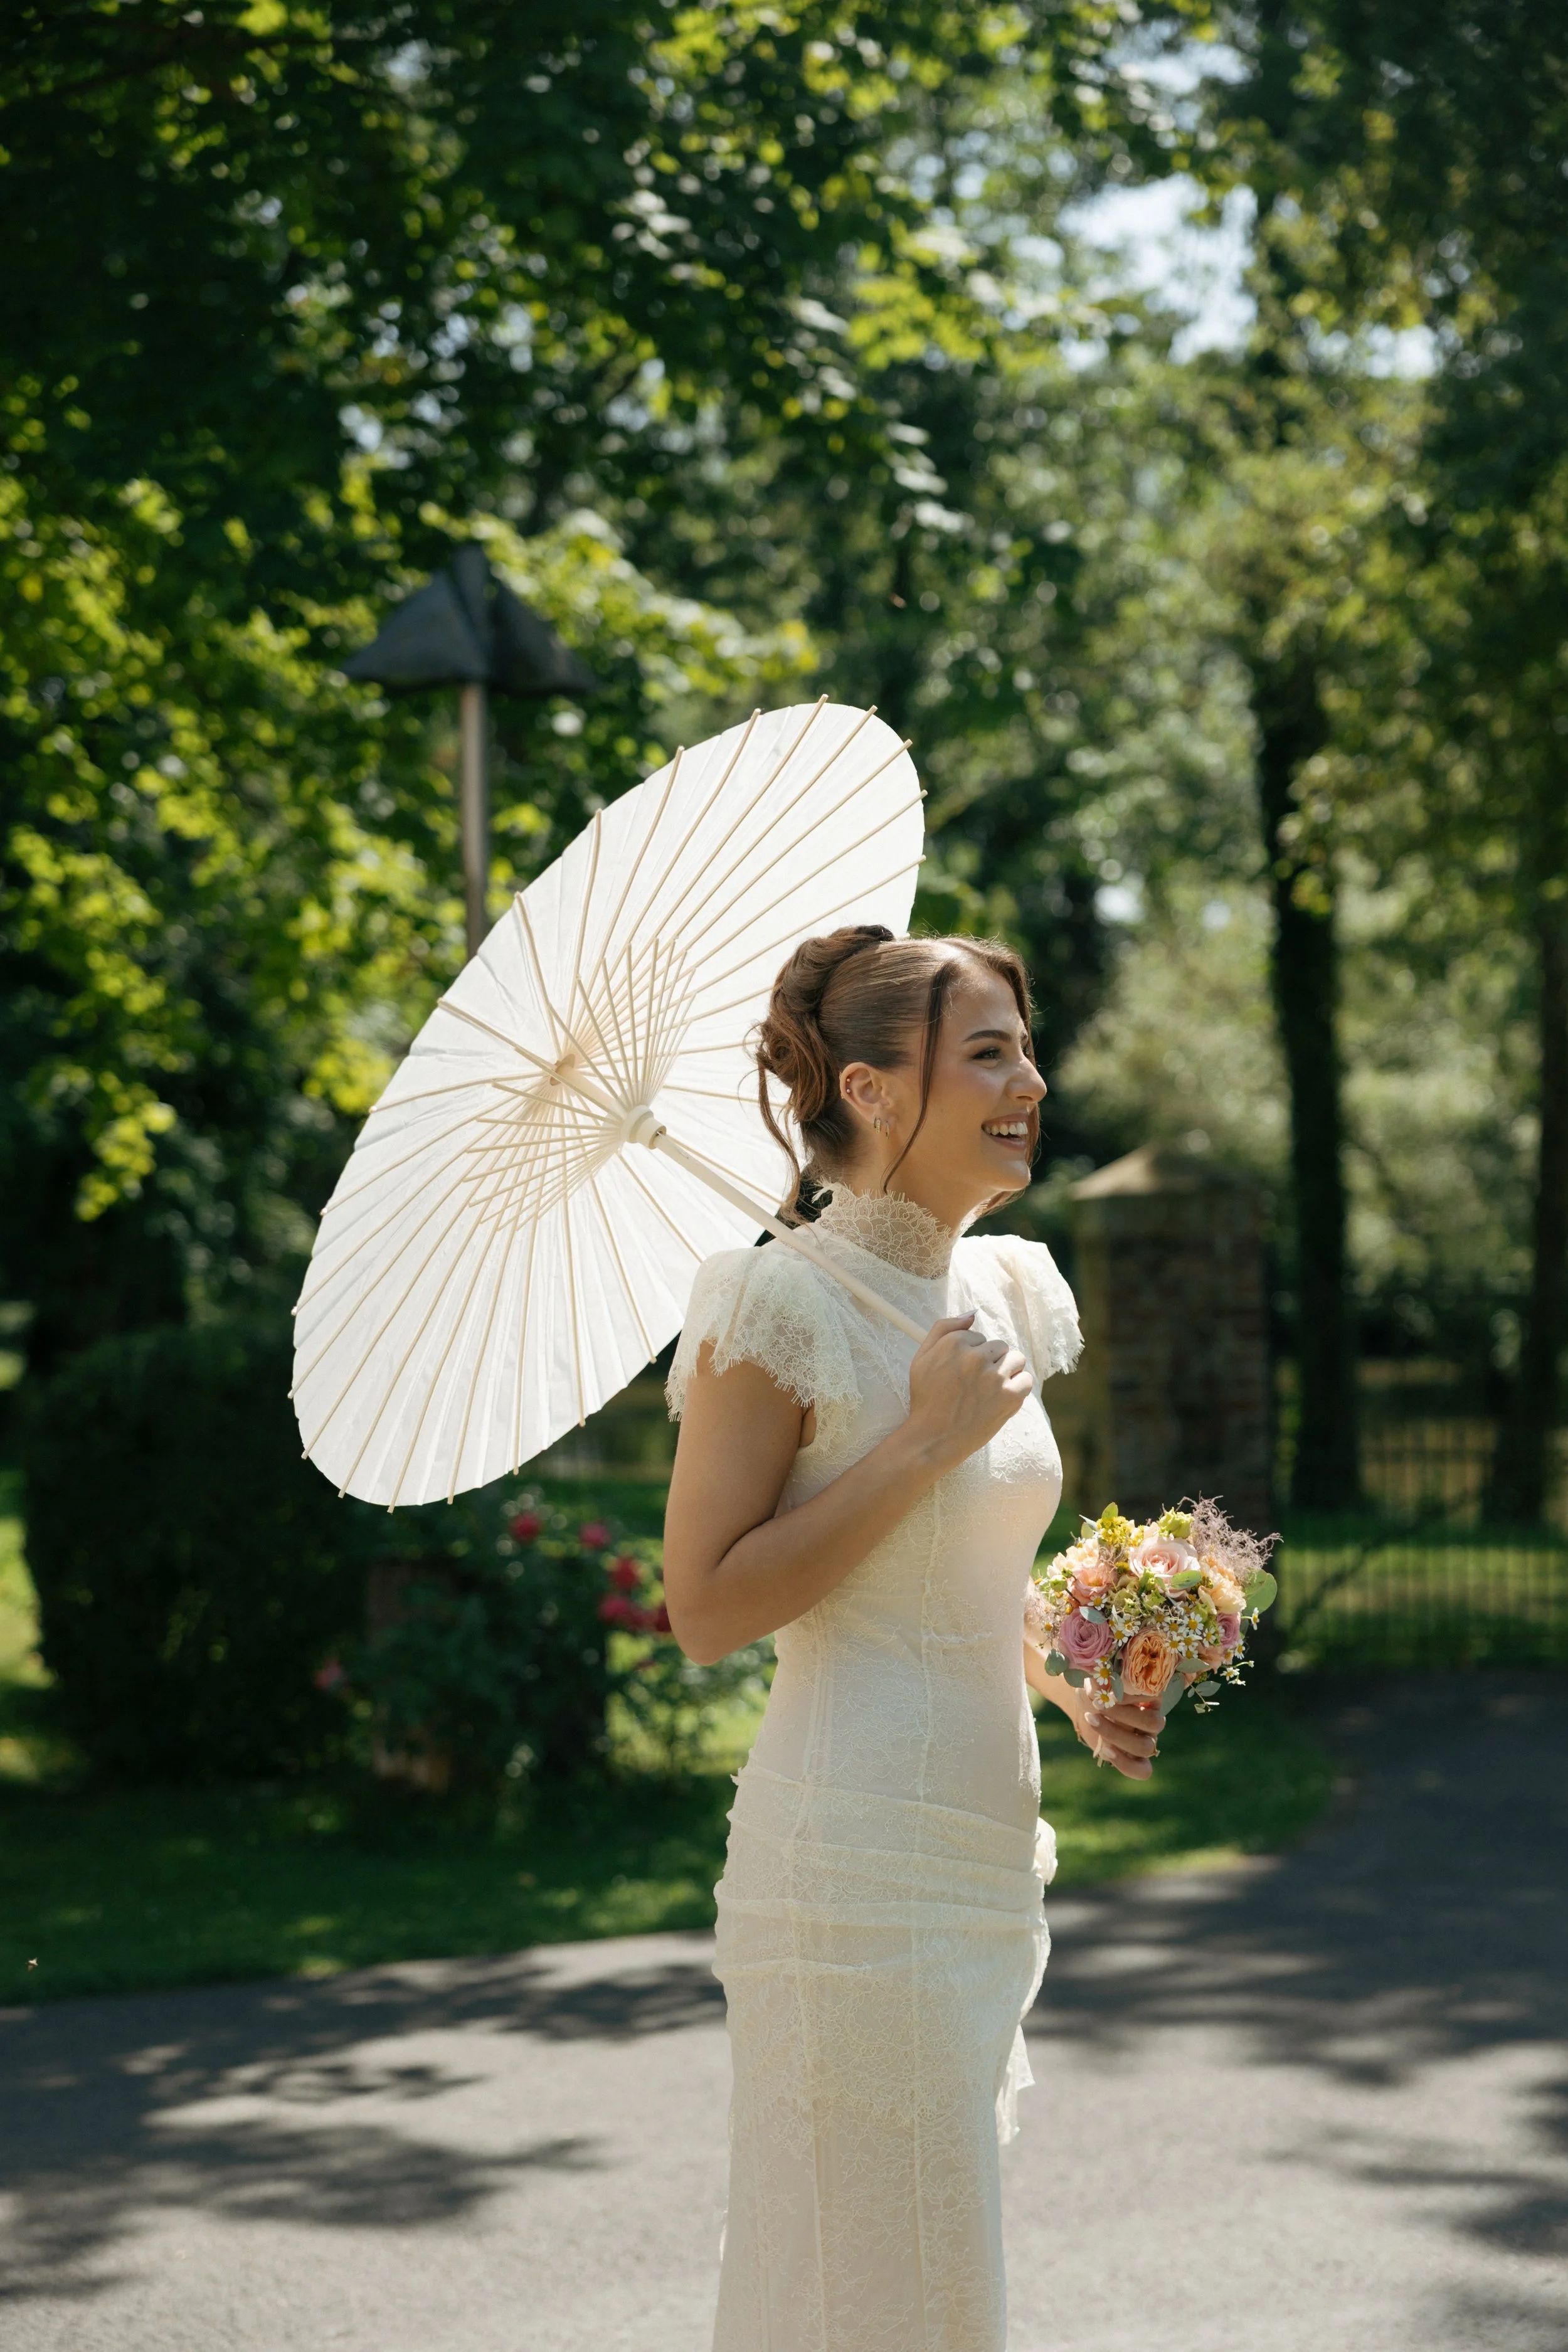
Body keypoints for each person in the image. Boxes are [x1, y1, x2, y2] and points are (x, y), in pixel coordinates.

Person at [662, 924, 1162, 2352]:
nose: (1033, 1081)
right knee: (881, 2289)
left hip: (981, 1853)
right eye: (987, 1052)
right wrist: (918, 1446)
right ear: (873, 1091)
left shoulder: (1001, 1291)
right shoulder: (773, 1303)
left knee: (921, 2281)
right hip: (848, 1863)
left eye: (1025, 1046)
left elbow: (953, 1585)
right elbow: (704, 1607)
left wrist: (1072, 1683)